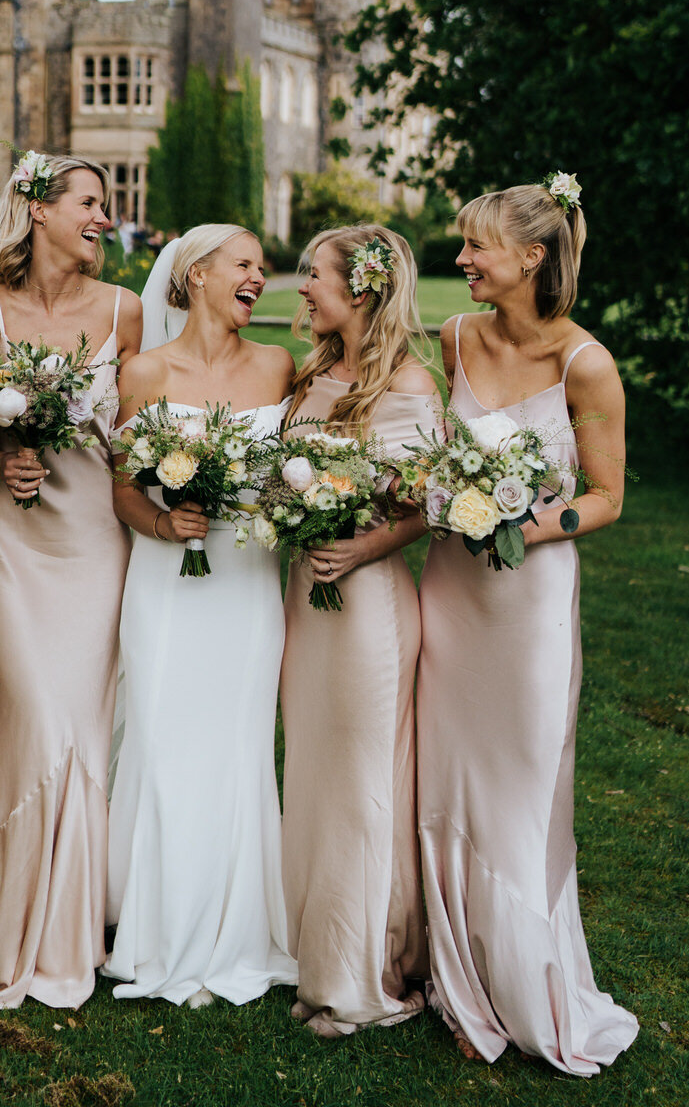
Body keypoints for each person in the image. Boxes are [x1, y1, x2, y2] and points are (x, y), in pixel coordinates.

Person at [417, 177, 638, 1074]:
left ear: (532, 257)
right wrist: (451, 502)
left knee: (521, 786)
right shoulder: (454, 337)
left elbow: (608, 496)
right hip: (450, 595)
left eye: (476, 246)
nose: (461, 260)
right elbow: (434, 447)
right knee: (450, 774)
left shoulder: (584, 362)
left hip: (529, 603)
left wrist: (514, 522)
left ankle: (530, 984)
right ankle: (458, 979)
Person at [0, 153, 142, 1009]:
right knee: (35, 716)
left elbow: (143, 439)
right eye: (90, 203)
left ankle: (80, 913)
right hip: (14, 543)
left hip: (98, 540)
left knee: (86, 726)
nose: (105, 217)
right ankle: (17, 910)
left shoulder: (125, 313)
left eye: (105, 204)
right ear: (37, 209)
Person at [102, 224, 298, 1007]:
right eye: (244, 264)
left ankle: (239, 926)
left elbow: (292, 471)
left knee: (238, 743)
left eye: (262, 267)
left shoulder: (278, 366)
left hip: (247, 583)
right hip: (165, 582)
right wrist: (162, 523)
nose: (259, 276)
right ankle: (154, 928)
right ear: (197, 275)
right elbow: (122, 490)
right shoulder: (143, 371)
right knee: (161, 737)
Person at [281, 225, 440, 1038]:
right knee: (312, 773)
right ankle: (310, 949)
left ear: (364, 288)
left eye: (316, 276)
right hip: (305, 606)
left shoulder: (407, 383)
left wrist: (361, 545)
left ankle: (359, 974)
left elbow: (420, 508)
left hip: (367, 605)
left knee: (359, 781)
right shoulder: (312, 372)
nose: (303, 287)